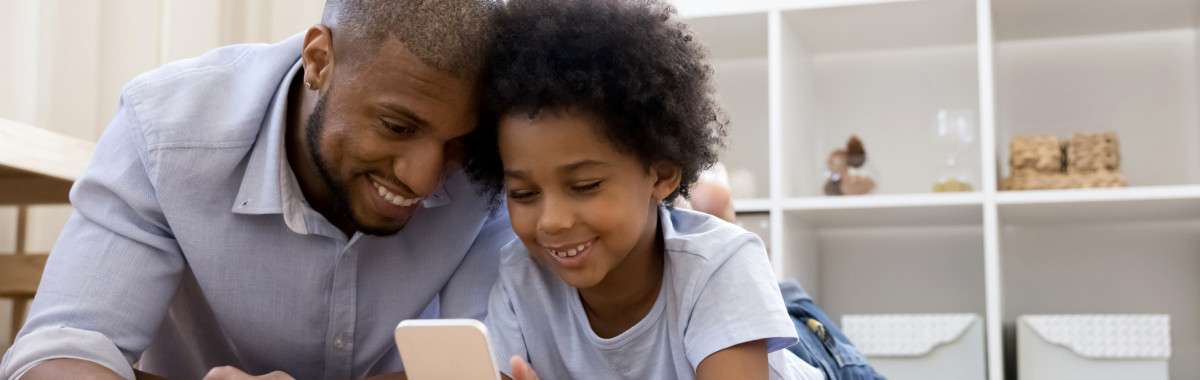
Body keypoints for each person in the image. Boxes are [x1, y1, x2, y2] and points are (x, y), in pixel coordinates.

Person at [0, 1, 512, 379]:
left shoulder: (499, 165)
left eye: (458, 142)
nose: (423, 179)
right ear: (319, 61)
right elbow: (63, 352)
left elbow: (487, 366)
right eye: (397, 127)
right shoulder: (168, 132)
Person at [462, 0, 825, 378]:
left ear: (663, 174)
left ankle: (718, 215)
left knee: (771, 303)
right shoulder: (520, 276)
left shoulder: (724, 266)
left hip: (817, 357)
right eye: (523, 194)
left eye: (585, 186)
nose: (552, 222)